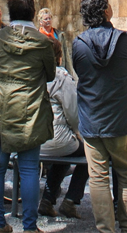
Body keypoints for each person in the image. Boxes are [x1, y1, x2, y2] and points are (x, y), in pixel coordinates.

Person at [0, 0, 55, 233]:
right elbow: (51, 74)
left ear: (11, 12)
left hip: (0, 105)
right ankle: (30, 227)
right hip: (28, 108)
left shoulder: (1, 36)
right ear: (33, 12)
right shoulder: (44, 43)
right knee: (30, 168)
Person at [73, 0, 127, 233]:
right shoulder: (125, 41)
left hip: (93, 122)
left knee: (99, 178)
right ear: (105, 11)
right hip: (123, 120)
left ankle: (105, 230)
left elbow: (80, 74)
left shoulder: (79, 44)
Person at [38, 38, 86, 219]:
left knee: (65, 151)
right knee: (90, 153)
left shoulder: (31, 75)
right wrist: (78, 133)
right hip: (56, 139)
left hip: (34, 140)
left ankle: (47, 201)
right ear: (58, 57)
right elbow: (73, 114)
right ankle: (71, 200)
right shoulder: (62, 78)